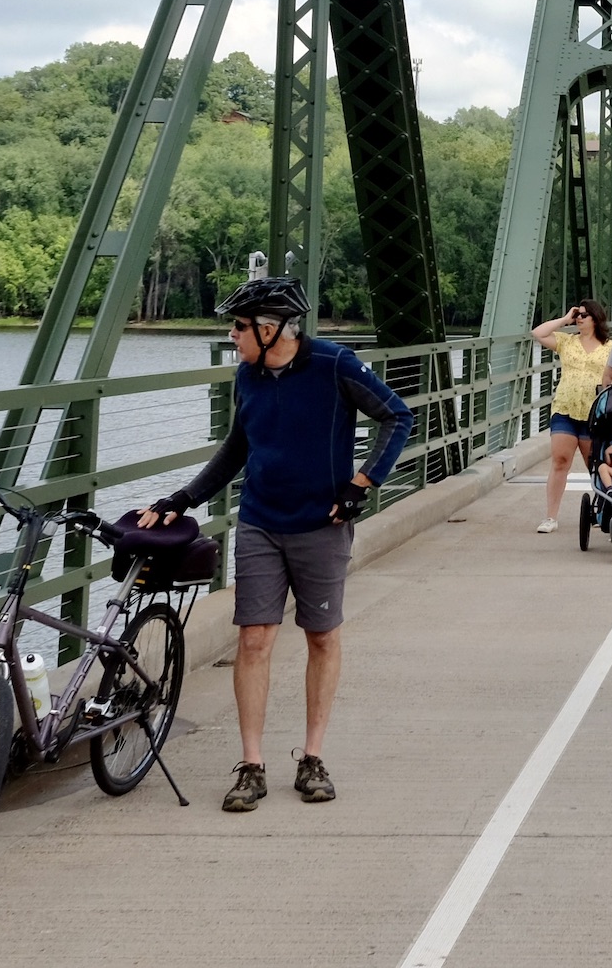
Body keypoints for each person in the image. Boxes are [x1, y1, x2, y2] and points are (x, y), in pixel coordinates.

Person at [138, 275, 412, 811]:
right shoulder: (248, 376)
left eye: (240, 328)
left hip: (321, 526)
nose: (233, 336)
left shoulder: (334, 363)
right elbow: (237, 447)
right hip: (261, 522)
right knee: (254, 640)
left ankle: (312, 757)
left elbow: (397, 416)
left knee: (321, 638)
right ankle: (252, 764)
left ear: (270, 330)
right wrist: (183, 498)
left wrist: (362, 485)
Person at [530, 300, 612, 534]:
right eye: (578, 315)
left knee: (594, 465)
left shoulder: (610, 347)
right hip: (565, 409)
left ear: (595, 319)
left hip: (594, 412)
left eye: (583, 315)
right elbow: (538, 333)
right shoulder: (567, 342)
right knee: (560, 461)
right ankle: (550, 517)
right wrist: (566, 319)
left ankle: (603, 511)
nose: (579, 318)